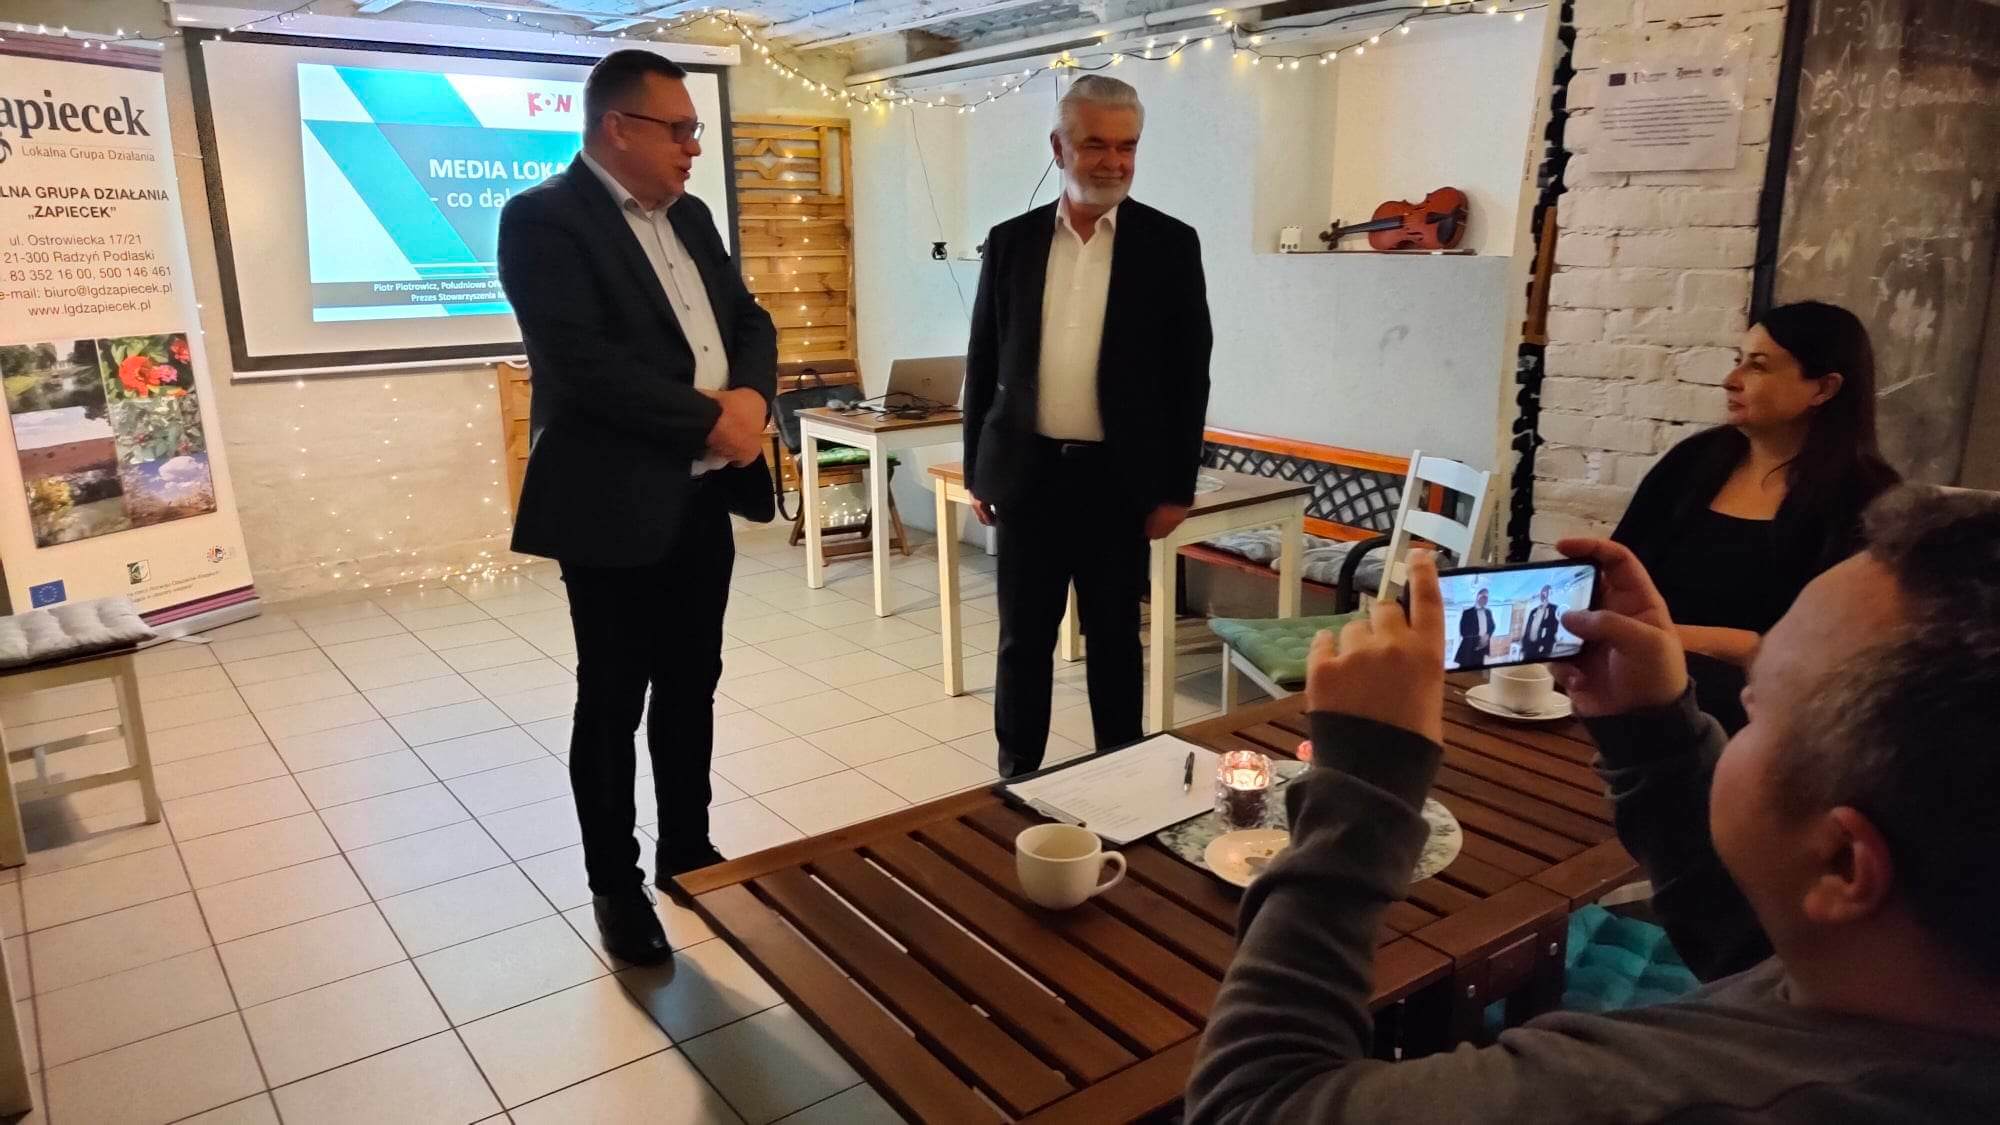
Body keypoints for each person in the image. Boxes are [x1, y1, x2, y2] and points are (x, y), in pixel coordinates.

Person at [1186, 487, 2000, 1122]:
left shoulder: (1660, 1099)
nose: (1738, 711)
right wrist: (1653, 729)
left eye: (1756, 710)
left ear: (1846, 861)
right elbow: (1746, 934)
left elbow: (1252, 1104)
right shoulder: (1906, 981)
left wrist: (1363, 784)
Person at [497, 50, 776, 965]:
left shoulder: (690, 215)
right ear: (617, 127)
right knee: (614, 699)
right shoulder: (543, 219)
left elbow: (748, 320)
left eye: (696, 130)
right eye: (680, 129)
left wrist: (752, 401)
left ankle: (687, 850)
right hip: (611, 508)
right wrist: (712, 419)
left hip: (701, 496)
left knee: (693, 682)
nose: (694, 147)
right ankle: (615, 886)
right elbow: (582, 366)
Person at [962, 75, 1212, 778]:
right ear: (1059, 147)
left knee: (1114, 640)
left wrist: (1177, 488)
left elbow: (1190, 374)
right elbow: (985, 360)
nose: (1113, 162)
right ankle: (1017, 774)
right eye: (1096, 144)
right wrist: (980, 469)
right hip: (1028, 474)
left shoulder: (1169, 244)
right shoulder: (1011, 242)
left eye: (1127, 146)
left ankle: (1119, 773)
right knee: (1022, 641)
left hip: (1118, 481)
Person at [1612, 300, 1900, 731]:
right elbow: (1619, 566)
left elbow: (1846, 656)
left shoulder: (1870, 500)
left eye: (1758, 366)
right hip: (1638, 691)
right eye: (1738, 361)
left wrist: (1691, 639)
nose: (1731, 380)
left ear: (1824, 389)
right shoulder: (1694, 460)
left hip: (1765, 722)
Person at [1453, 588, 1494, 669]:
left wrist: (1487, 635)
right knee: (1465, 670)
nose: (1485, 599)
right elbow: (1463, 631)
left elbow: (1492, 626)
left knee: (1478, 670)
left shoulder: (1488, 612)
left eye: (1487, 598)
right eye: (1483, 597)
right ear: (1478, 597)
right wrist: (1479, 638)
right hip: (1469, 648)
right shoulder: (1467, 613)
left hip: (1482, 647)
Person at [1521, 584, 1560, 660]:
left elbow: (1553, 629)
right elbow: (1528, 628)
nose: (1544, 594)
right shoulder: (1533, 611)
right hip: (1528, 648)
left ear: (1551, 594)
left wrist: (1547, 648)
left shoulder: (1554, 609)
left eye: (1547, 592)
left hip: (1542, 650)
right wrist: (1524, 645)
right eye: (1542, 592)